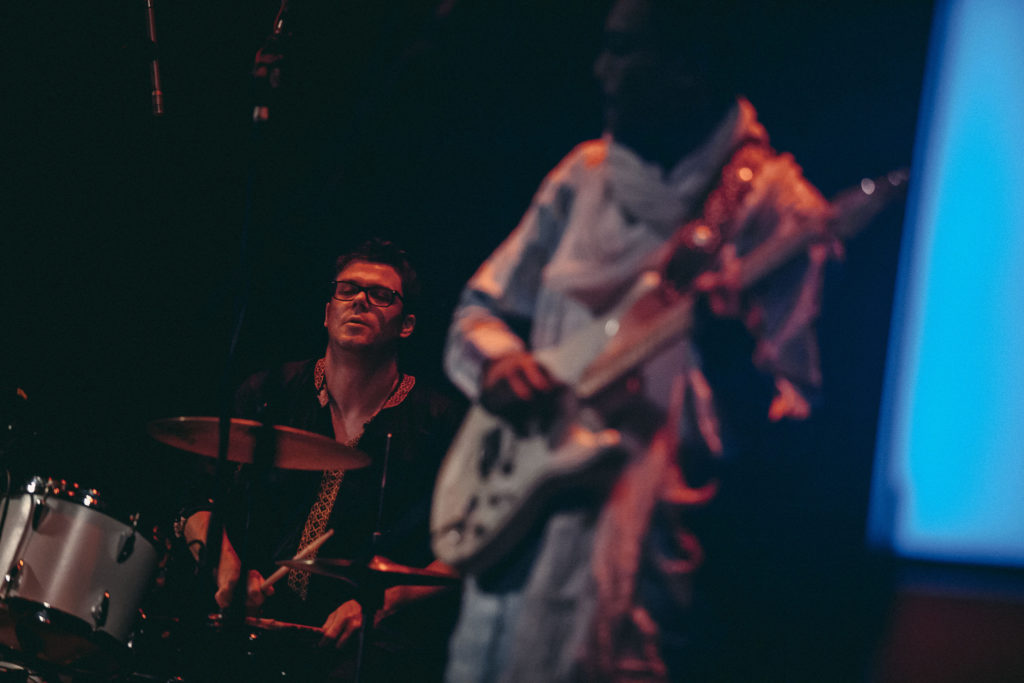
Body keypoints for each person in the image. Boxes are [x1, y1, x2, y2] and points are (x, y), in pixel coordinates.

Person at [440, 1, 833, 680]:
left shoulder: (782, 211)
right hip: (516, 547)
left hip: (647, 576)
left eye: (624, 50)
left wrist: (730, 360)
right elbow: (478, 311)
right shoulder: (582, 177)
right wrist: (501, 366)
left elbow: (793, 428)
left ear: (690, 67)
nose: (602, 71)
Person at [181, 238, 462, 682]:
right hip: (251, 631)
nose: (361, 301)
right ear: (327, 312)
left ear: (406, 325)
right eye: (347, 290)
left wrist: (379, 604)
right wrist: (229, 570)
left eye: (381, 294)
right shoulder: (268, 395)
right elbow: (198, 503)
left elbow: (467, 550)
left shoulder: (437, 421)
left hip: (370, 649)